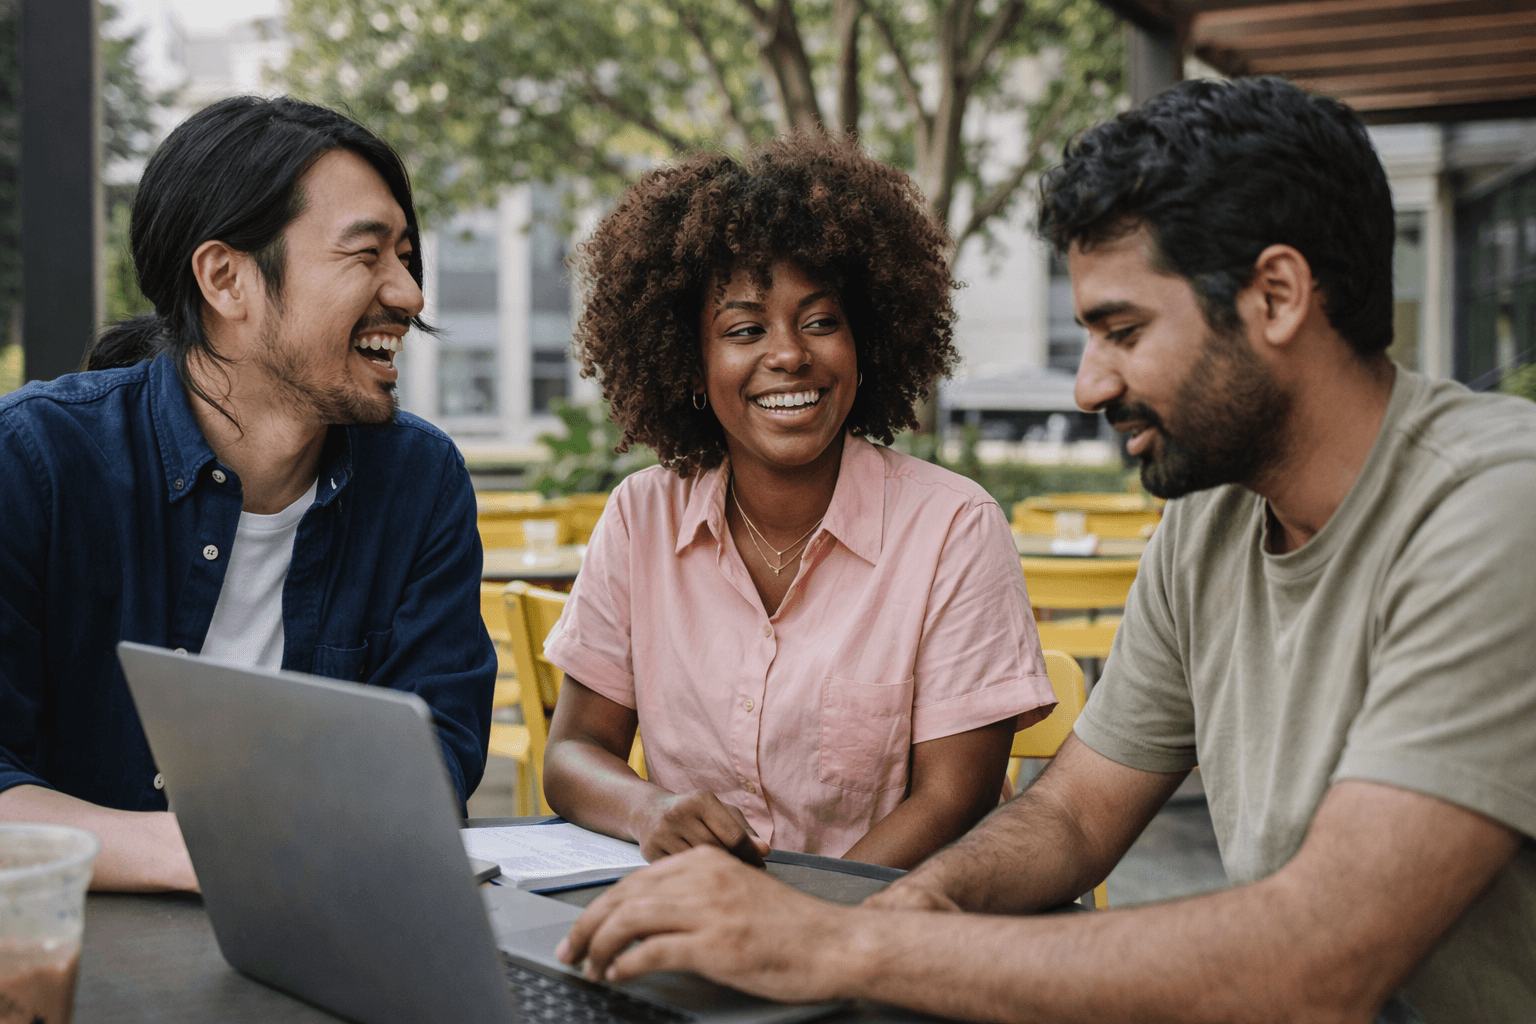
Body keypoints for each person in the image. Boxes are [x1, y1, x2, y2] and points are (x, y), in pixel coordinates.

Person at [555, 77, 1536, 1023]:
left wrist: (833, 943)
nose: (1087, 386)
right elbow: (1069, 819)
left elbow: (1316, 964)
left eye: (1122, 330)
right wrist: (888, 913)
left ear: (1275, 295)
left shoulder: (1496, 510)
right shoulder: (1212, 519)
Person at [0, 97, 497, 892]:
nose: (408, 294)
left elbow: (433, 760)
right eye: (367, 254)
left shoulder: (420, 481)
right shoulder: (31, 461)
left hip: (327, 948)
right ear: (226, 279)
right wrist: (218, 851)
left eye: (405, 256)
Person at [540, 132, 1057, 869]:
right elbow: (575, 752)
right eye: (745, 330)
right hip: (702, 921)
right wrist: (650, 810)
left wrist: (803, 921)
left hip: (892, 930)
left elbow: (952, 800)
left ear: (866, 343)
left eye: (821, 321)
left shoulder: (952, 528)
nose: (788, 354)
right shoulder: (640, 517)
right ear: (690, 363)